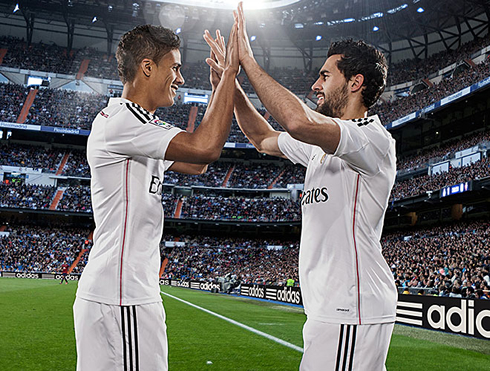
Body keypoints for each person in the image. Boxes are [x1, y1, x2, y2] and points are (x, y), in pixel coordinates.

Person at [206, 3, 397, 369]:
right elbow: (261, 138)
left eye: (325, 76)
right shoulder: (319, 146)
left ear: (355, 82)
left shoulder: (370, 138)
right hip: (333, 312)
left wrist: (247, 60)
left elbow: (295, 120)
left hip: (351, 309)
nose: (315, 84)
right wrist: (229, 84)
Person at [74, 24, 239, 371]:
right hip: (123, 297)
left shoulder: (132, 124)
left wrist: (217, 88)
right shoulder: (125, 122)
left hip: (117, 294)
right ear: (148, 67)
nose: (180, 78)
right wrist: (229, 75)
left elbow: (197, 165)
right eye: (175, 67)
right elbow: (205, 148)